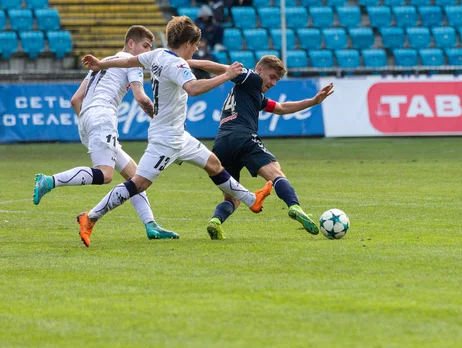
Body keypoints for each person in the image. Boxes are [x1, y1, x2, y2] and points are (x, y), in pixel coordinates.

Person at [77, 16, 272, 247]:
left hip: (178, 134)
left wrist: (102, 64)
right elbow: (193, 89)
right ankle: (89, 218)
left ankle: (252, 200)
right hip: (166, 139)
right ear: (188, 42)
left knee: (214, 164)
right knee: (138, 183)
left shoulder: (158, 54)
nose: (197, 48)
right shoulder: (177, 64)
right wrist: (226, 76)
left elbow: (131, 62)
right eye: (196, 44)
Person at [32, 25, 179, 240]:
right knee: (104, 174)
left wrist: (87, 120)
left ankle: (151, 225)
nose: (147, 52)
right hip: (102, 116)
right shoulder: (132, 63)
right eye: (145, 46)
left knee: (134, 175)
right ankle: (49, 181)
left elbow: (75, 99)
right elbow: (141, 97)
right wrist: (159, 118)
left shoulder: (102, 62)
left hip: (87, 118)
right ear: (131, 44)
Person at [187, 55, 334, 240]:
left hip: (221, 144)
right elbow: (221, 68)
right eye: (272, 77)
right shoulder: (251, 78)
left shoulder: (252, 93)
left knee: (232, 198)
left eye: (277, 80)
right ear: (260, 70)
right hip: (244, 138)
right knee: (276, 175)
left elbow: (281, 107)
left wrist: (313, 101)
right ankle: (295, 207)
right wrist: (189, 62)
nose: (273, 83)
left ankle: (215, 221)